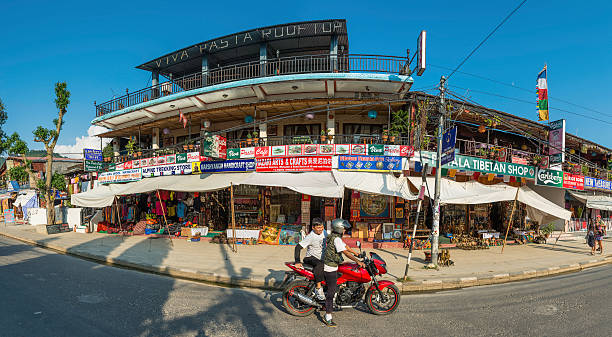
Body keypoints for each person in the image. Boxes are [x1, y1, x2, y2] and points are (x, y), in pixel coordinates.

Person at [322, 219, 365, 327]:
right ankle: (328, 316)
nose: (345, 230)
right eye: (344, 228)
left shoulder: (336, 238)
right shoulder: (336, 239)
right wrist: (357, 261)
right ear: (339, 228)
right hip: (330, 267)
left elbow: (345, 247)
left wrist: (356, 253)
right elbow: (345, 252)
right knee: (331, 292)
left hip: (334, 265)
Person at [294, 218, 327, 300]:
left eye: (322, 227)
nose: (321, 229)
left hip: (321, 258)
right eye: (318, 228)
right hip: (310, 258)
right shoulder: (310, 236)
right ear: (313, 228)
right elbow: (297, 247)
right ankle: (318, 288)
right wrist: (297, 261)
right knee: (320, 264)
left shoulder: (325, 232)